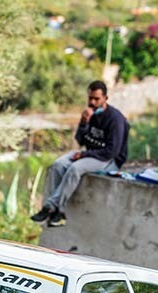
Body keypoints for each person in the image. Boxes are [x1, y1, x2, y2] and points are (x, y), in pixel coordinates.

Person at [32, 81, 129, 228]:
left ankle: (52, 206)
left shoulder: (115, 119)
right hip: (90, 153)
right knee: (58, 165)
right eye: (90, 98)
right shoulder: (89, 114)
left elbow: (112, 151)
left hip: (109, 159)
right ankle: (55, 210)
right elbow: (79, 140)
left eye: (96, 99)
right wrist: (84, 123)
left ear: (105, 98)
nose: (92, 102)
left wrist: (84, 155)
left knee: (75, 168)